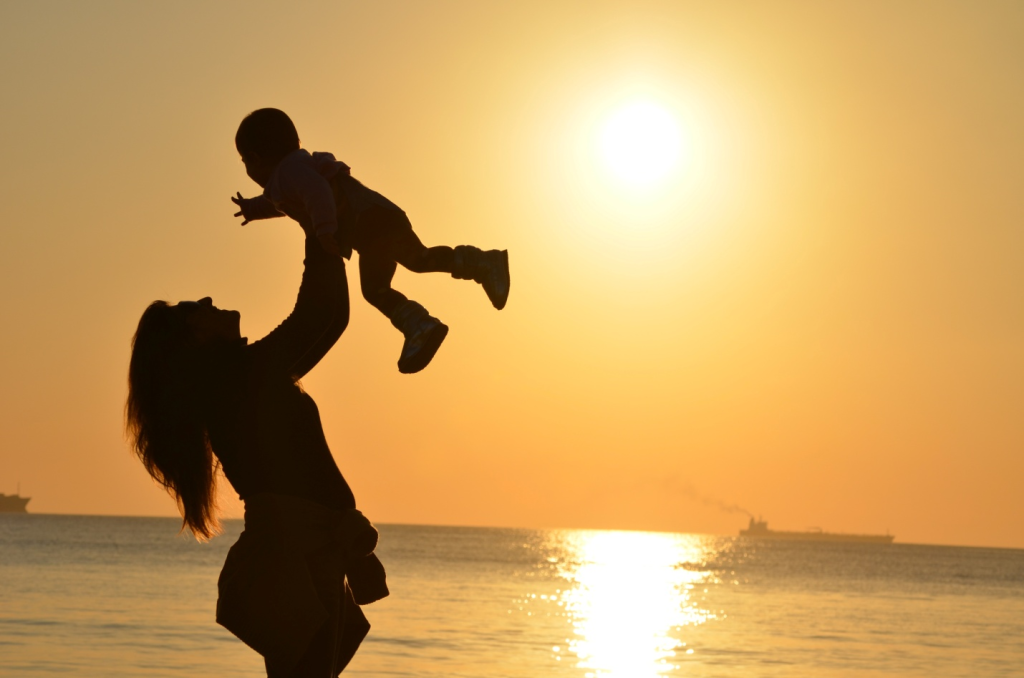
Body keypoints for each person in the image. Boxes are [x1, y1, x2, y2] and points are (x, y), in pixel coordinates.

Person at [125, 225, 386, 677]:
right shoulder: (242, 379)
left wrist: (324, 233)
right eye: (195, 311)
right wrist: (314, 222)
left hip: (308, 551)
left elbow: (330, 320)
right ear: (196, 340)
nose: (207, 301)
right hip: (296, 554)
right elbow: (319, 314)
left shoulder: (244, 380)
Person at [230, 107, 510, 374]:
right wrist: (252, 210)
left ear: (254, 158)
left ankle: (470, 276)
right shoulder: (288, 176)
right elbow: (278, 203)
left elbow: (317, 193)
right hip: (370, 229)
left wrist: (325, 231)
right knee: (394, 276)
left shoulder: (290, 172)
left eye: (244, 162)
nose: (247, 169)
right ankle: (423, 321)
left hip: (373, 220)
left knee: (410, 265)